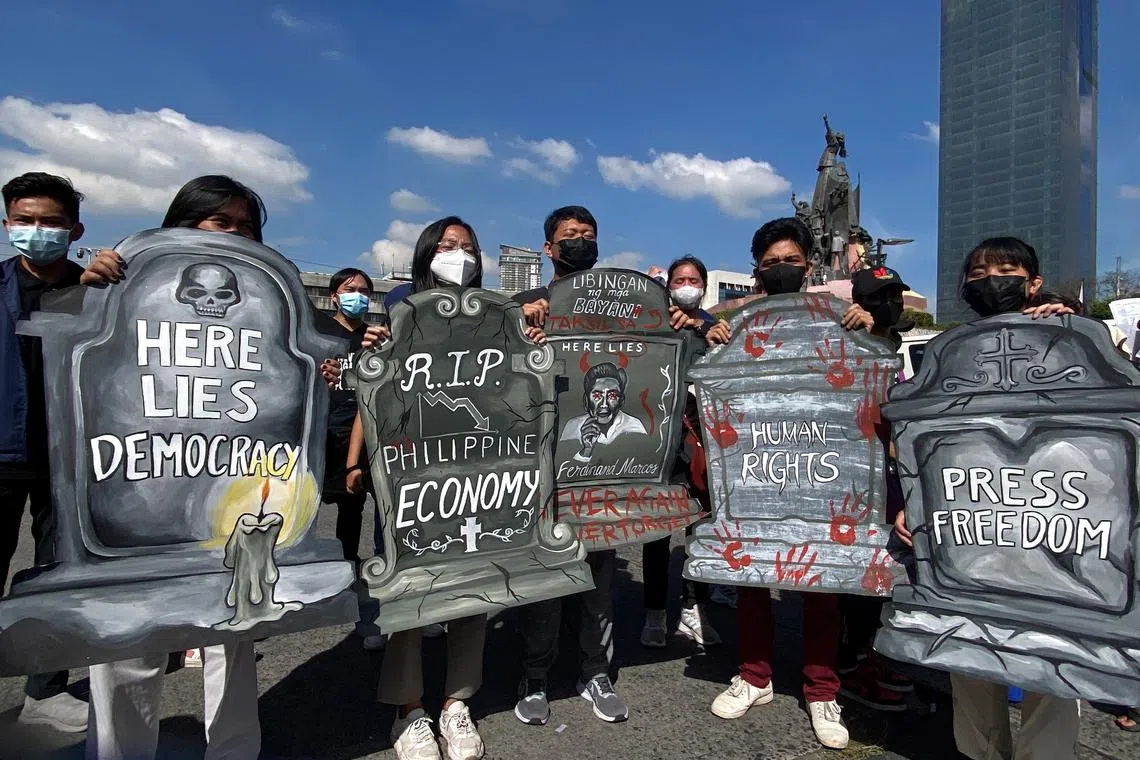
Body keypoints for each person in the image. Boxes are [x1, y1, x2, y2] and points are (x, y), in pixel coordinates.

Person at [352, 216, 544, 760]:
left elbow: (518, 388)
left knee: (475, 581)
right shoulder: (399, 306)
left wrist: (528, 343)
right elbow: (375, 382)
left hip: (480, 463)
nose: (456, 255)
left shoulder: (495, 313)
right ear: (424, 254)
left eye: (466, 247)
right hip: (410, 464)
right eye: (445, 246)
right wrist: (372, 346)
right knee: (411, 583)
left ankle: (456, 703)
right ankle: (408, 709)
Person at [512, 206, 700, 728]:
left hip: (607, 481)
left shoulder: (631, 307)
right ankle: (534, 675)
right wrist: (517, 326)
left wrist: (688, 321)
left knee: (598, 582)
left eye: (588, 235)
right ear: (548, 248)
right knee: (546, 581)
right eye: (569, 236)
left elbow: (678, 345)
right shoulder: (528, 305)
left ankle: (595, 671)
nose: (580, 242)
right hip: (543, 471)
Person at [894, 236, 1080, 760]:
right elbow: (922, 435)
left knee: (1054, 659)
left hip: (1051, 517)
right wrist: (915, 501)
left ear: (1034, 282)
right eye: (978, 272)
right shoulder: (945, 354)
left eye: (1005, 269)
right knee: (969, 653)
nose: (991, 279)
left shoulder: (1068, 340)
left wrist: (1070, 321)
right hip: (969, 518)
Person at [710, 217, 857, 750]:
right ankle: (755, 677)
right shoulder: (743, 320)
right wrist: (715, 334)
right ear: (756, 271)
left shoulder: (838, 317)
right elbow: (712, 378)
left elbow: (870, 366)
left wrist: (867, 324)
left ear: (810, 265)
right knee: (752, 577)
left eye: (790, 261)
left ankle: (822, 690)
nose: (781, 269)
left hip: (821, 465)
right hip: (758, 463)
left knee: (822, 587)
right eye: (770, 263)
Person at [0, 172, 90, 733]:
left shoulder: (97, 293)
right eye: (25, 220)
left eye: (51, 222)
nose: (37, 231)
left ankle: (45, 688)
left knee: (57, 573)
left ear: (74, 229)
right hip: (4, 452)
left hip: (72, 457)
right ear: (8, 225)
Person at [834, 265, 915, 712]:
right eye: (883, 297)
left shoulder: (893, 343)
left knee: (889, 568)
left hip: (893, 474)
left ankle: (875, 653)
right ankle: (853, 661)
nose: (894, 305)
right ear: (859, 303)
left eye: (897, 296)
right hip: (853, 475)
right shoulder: (846, 339)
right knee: (858, 575)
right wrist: (856, 336)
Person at [640, 255, 728, 649]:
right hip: (657, 445)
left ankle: (694, 608)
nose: (686, 285)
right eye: (679, 279)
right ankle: (655, 613)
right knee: (656, 534)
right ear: (668, 285)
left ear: (704, 287)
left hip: (700, 447)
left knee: (700, 532)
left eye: (694, 279)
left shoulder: (714, 327)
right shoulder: (650, 322)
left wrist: (707, 328)